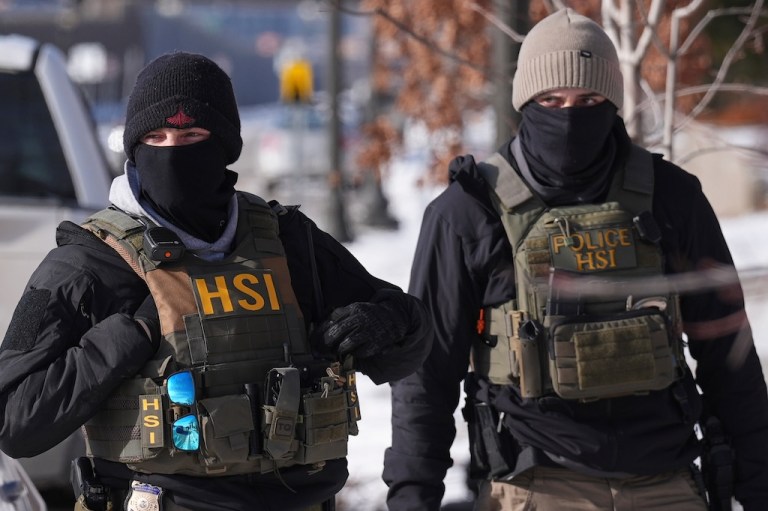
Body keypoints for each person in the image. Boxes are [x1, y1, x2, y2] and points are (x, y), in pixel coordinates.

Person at [0, 51, 433, 511]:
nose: (172, 150)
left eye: (191, 135)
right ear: (135, 149)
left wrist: (389, 322)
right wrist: (131, 334)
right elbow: (15, 421)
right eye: (156, 136)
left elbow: (410, 343)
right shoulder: (88, 262)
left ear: (223, 144)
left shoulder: (287, 240)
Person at [383, 8, 768, 511]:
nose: (570, 116)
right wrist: (413, 497)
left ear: (612, 103)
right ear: (526, 102)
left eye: (589, 100)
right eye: (551, 100)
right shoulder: (469, 212)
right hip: (534, 483)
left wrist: (758, 487)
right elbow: (425, 380)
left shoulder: (672, 197)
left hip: (666, 482)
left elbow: (729, 357)